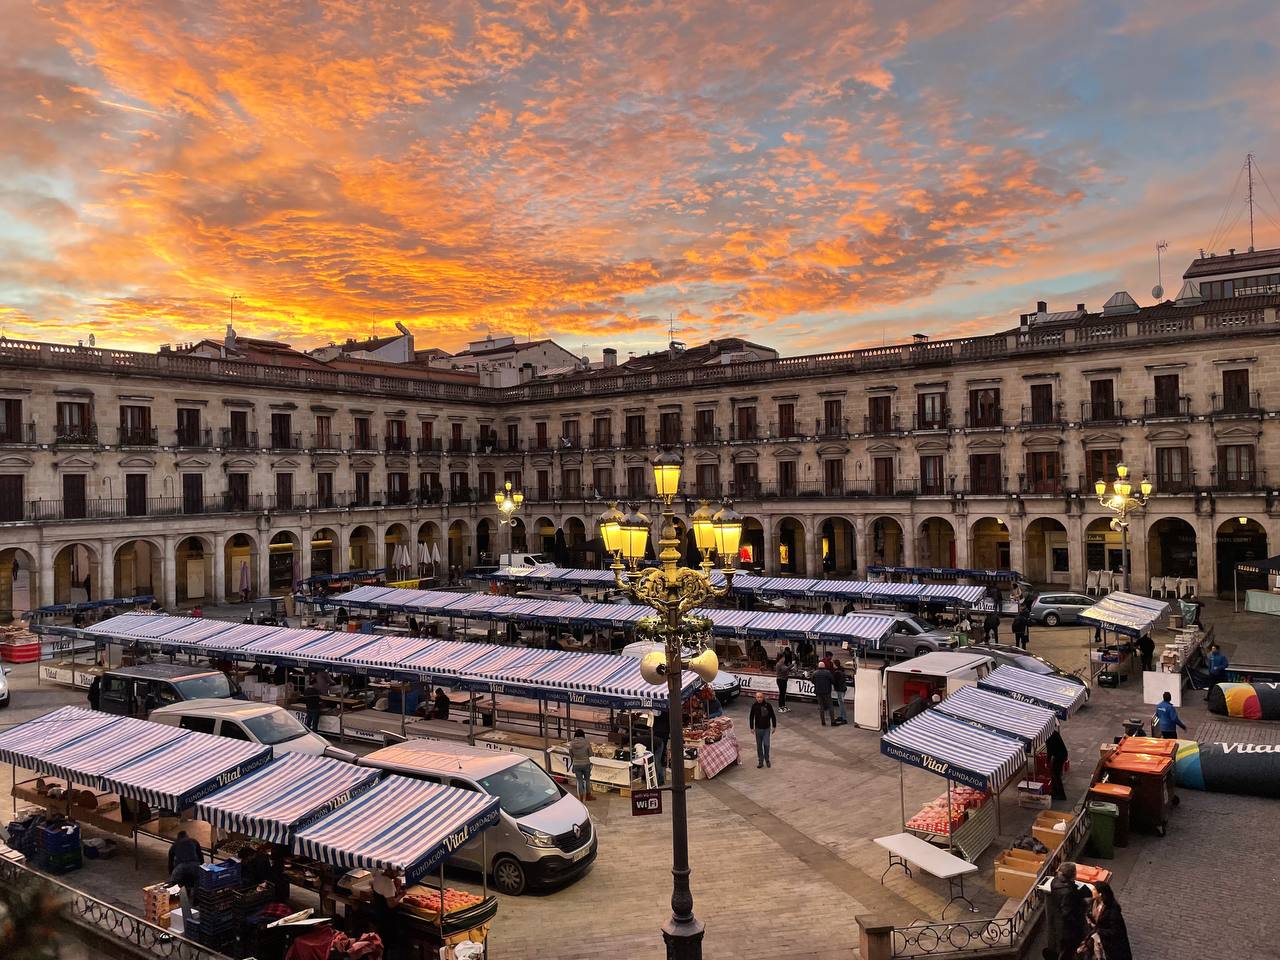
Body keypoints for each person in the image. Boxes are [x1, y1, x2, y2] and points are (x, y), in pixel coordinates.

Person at [1045, 861, 1091, 960]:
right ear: (1073, 874)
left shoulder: (1055, 882)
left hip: (1058, 924)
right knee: (1068, 952)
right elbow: (1067, 912)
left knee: (1063, 949)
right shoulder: (1069, 892)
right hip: (1068, 929)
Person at [168, 829, 204, 926]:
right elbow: (201, 856)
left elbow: (170, 861)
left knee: (175, 884)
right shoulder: (194, 841)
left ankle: (175, 901)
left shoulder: (174, 845)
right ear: (187, 835)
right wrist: (201, 867)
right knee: (198, 881)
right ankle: (196, 901)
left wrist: (171, 874)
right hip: (194, 864)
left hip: (181, 867)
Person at [1090, 881, 1132, 960]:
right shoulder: (1097, 903)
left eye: (1094, 889)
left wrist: (1098, 931)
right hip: (1102, 942)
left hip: (1112, 946)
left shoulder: (1113, 911)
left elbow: (1115, 931)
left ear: (1100, 894)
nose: (1092, 890)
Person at [748, 691, 777, 769]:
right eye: (758, 697)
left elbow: (773, 716)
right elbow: (751, 717)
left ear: (763, 697)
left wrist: (774, 726)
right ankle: (760, 761)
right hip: (758, 729)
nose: (759, 699)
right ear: (756, 698)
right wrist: (751, 727)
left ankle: (767, 759)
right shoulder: (754, 706)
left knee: (766, 744)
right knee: (759, 746)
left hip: (766, 729)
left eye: (760, 697)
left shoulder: (768, 705)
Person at [568, 729, 594, 801]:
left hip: (576, 764)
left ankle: (581, 798)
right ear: (583, 735)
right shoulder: (586, 742)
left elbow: (570, 754)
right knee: (587, 780)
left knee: (579, 781)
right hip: (586, 763)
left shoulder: (572, 743)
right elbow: (591, 754)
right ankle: (588, 796)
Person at [1045, 730, 1069, 801]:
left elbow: (1050, 751)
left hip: (1060, 756)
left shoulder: (1049, 736)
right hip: (1060, 754)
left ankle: (1061, 795)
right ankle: (1055, 792)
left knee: (1056, 775)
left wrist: (1047, 762)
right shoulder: (1053, 732)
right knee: (1054, 774)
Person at [812, 659, 834, 726]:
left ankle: (823, 722)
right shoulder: (827, 672)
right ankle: (832, 721)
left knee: (821, 706)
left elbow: (812, 681)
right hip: (827, 691)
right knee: (830, 706)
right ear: (824, 666)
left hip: (818, 691)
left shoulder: (815, 673)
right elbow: (832, 680)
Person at [651, 709, 669, 787]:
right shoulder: (665, 710)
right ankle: (659, 777)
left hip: (659, 734)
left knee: (657, 758)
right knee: (659, 756)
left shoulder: (656, 711)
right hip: (662, 733)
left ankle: (660, 779)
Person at [830, 659, 849, 725]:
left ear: (835, 664)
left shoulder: (837, 672)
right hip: (842, 688)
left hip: (840, 689)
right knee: (840, 703)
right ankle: (842, 716)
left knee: (841, 703)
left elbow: (834, 681)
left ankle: (844, 718)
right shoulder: (841, 670)